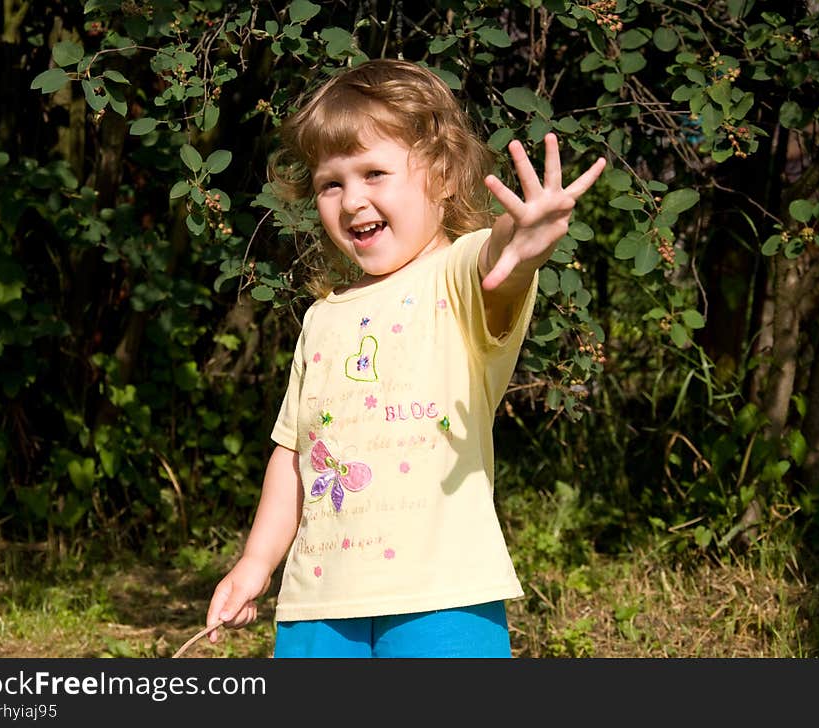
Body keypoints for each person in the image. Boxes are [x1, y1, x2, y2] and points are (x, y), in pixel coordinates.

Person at [206, 58, 605, 658]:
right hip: (319, 605)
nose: (351, 199)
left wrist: (521, 243)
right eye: (330, 183)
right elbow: (294, 454)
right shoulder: (322, 318)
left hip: (441, 596)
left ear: (443, 176)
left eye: (373, 172)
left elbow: (496, 264)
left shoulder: (458, 275)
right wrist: (256, 563)